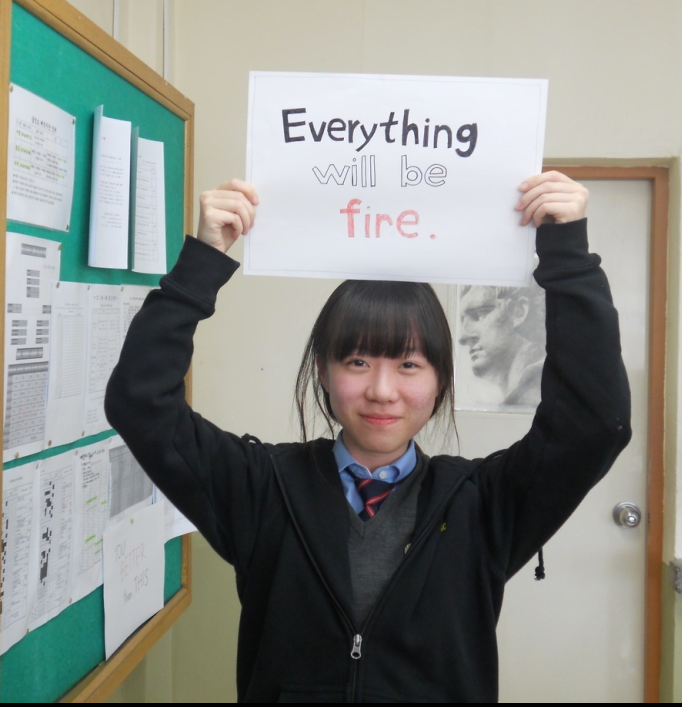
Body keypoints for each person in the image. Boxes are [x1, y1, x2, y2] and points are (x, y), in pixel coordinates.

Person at [105, 171, 631, 703]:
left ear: (441, 379)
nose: (382, 391)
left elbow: (592, 424)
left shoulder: (484, 504)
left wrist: (568, 258)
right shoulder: (261, 488)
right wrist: (201, 264)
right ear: (323, 371)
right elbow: (140, 403)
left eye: (408, 365)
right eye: (357, 361)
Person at [458, 281, 546, 406]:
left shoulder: (539, 390)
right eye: (462, 321)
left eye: (479, 314)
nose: (463, 337)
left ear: (519, 312)